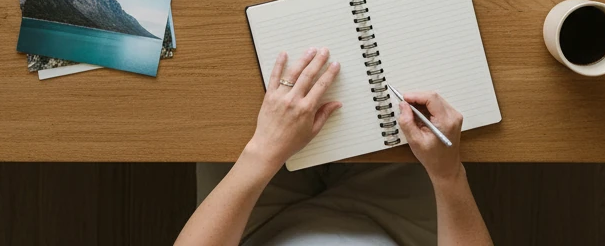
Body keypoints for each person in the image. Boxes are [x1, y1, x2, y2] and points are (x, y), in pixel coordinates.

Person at [175, 48, 492, 246]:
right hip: (397, 226)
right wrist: (448, 175)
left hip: (256, 229)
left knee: (226, 105)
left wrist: (263, 150)